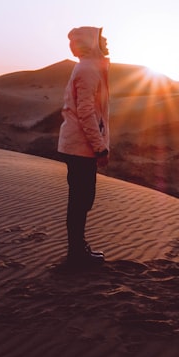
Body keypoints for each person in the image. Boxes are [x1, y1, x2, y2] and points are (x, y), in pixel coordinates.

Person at [57, 26, 111, 267]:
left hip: (78, 145)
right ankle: (76, 254)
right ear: (93, 42)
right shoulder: (88, 70)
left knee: (82, 200)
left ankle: (77, 250)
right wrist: (99, 147)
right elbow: (86, 112)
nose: (107, 43)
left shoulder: (89, 68)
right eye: (102, 39)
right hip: (81, 147)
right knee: (81, 201)